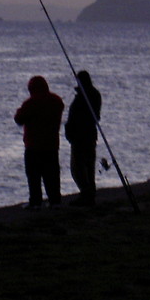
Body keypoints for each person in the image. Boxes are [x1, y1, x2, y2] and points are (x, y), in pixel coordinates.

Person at [14, 75, 64, 209]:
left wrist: (20, 110)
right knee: (52, 174)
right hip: (52, 144)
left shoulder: (30, 103)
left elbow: (19, 119)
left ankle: (35, 202)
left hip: (33, 145)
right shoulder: (57, 100)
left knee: (33, 175)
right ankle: (55, 200)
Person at [64, 70, 102, 207]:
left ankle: (86, 194)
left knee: (78, 168)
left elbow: (80, 117)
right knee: (88, 166)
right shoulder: (93, 94)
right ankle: (89, 193)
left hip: (81, 137)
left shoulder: (84, 97)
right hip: (89, 136)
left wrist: (70, 132)